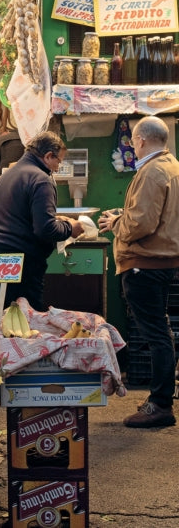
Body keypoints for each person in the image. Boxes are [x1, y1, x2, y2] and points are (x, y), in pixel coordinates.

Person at [98, 116, 179, 428]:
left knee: (157, 335)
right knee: (162, 332)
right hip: (163, 262)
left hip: (145, 264)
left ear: (142, 140)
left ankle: (160, 405)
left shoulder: (152, 171)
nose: (132, 144)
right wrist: (125, 215)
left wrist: (114, 223)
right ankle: (159, 400)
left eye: (133, 139)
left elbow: (140, 225)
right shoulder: (171, 166)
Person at [0, 130, 84, 311]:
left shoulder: (9, 175)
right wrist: (71, 228)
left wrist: (56, 220)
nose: (57, 167)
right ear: (48, 156)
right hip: (24, 263)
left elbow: (20, 216)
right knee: (25, 320)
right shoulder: (41, 180)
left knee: (2, 314)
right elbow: (45, 230)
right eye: (58, 161)